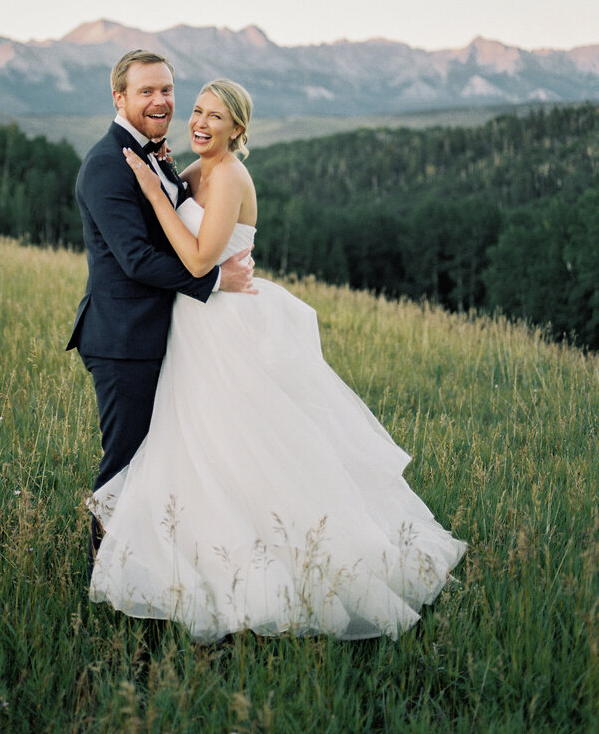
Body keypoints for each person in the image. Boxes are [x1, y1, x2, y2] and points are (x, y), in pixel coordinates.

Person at [87, 78, 467, 643]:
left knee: (246, 448)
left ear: (238, 129)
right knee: (199, 449)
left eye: (216, 117)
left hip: (223, 322)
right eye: (197, 110)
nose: (201, 121)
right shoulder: (195, 168)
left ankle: (282, 569)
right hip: (195, 328)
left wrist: (148, 186)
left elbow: (195, 258)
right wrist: (159, 177)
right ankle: (193, 553)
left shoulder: (231, 175)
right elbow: (175, 201)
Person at [66, 51, 256, 571]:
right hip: (124, 339)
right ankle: (107, 578)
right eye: (146, 91)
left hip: (163, 335)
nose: (160, 101)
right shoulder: (108, 165)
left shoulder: (155, 154)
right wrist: (215, 279)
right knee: (125, 466)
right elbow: (136, 259)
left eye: (167, 90)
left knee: (163, 463)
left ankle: (153, 570)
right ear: (119, 98)